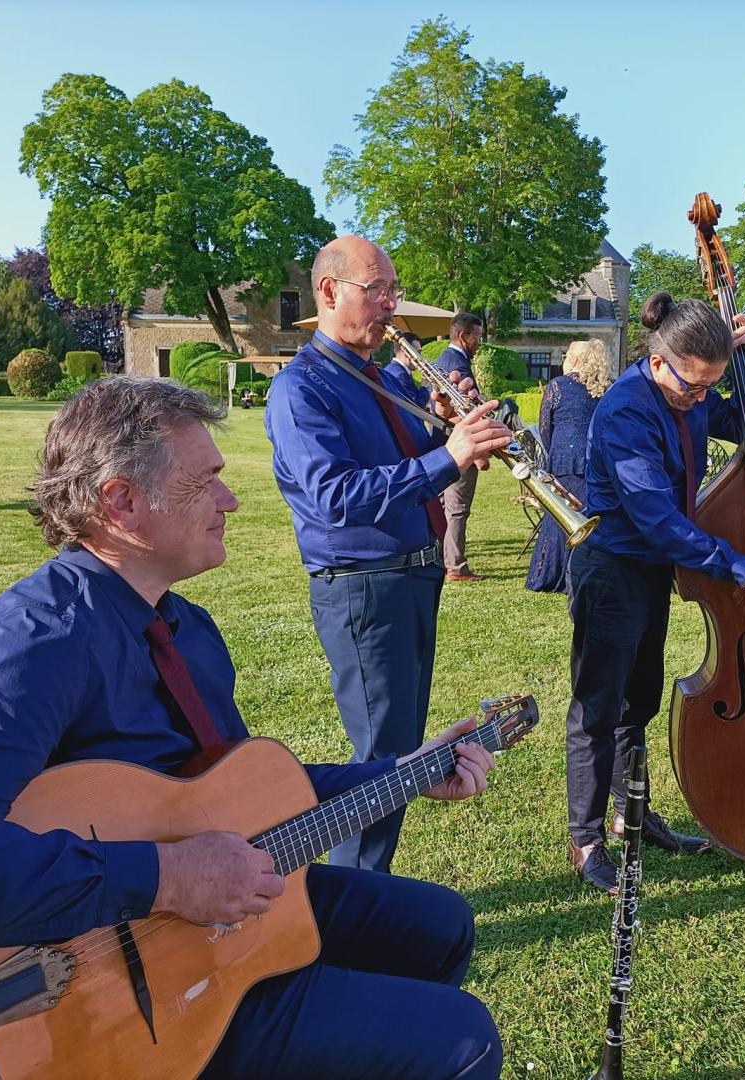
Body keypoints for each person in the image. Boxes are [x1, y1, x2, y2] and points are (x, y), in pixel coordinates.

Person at [0, 377, 503, 1080]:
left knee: (441, 929)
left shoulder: (185, 627)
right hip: (139, 1003)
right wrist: (166, 877)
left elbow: (239, 794)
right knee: (464, 1042)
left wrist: (405, 772)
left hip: (229, 925)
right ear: (120, 502)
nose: (230, 501)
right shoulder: (39, 639)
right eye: (205, 484)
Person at [264, 236, 513, 874]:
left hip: (409, 579)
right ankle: (353, 900)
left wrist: (441, 430)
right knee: (382, 763)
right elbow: (334, 496)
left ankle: (361, 894)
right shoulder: (302, 388)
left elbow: (397, 466)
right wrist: (448, 456)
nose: (391, 306)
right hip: (363, 588)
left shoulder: (373, 376)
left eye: (392, 292)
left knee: (397, 752)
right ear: (329, 292)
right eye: (379, 292)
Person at [564, 293, 745, 894]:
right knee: (597, 709)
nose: (701, 398)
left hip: (652, 572)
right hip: (612, 568)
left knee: (636, 703)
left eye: (709, 386)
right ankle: (586, 839)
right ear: (660, 360)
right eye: (694, 386)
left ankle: (631, 815)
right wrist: (744, 568)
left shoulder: (689, 393)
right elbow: (656, 518)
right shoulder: (624, 414)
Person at [525, 339, 611, 594]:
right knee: (591, 517)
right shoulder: (608, 388)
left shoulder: (557, 386)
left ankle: (550, 575)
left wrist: (554, 453)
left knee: (557, 520)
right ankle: (587, 572)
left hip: (564, 458)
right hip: (596, 461)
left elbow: (544, 428)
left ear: (573, 359)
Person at [434, 313, 487, 583]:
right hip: (458, 445)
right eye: (477, 336)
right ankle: (455, 566)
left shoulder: (445, 359)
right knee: (457, 507)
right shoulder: (457, 364)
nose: (480, 342)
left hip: (441, 445)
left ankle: (443, 559)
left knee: (446, 504)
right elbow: (459, 411)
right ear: (464, 336)